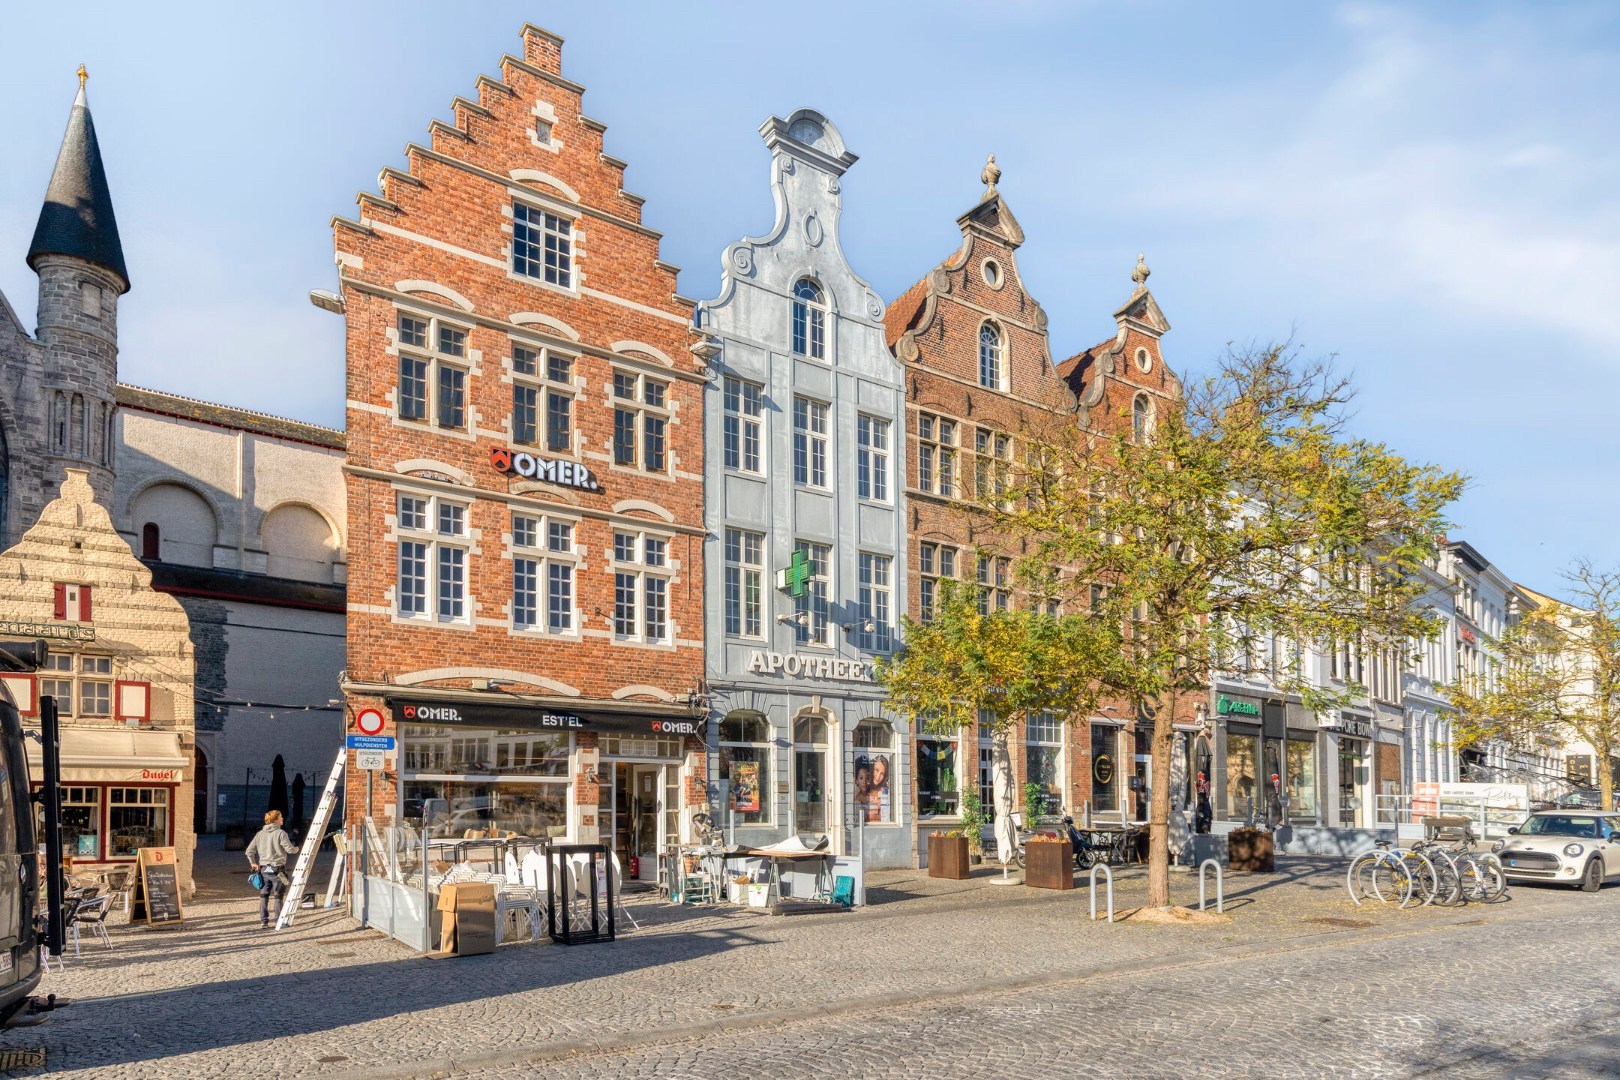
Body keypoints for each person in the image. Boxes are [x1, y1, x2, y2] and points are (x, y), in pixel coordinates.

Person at [246, 810, 299, 929]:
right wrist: (297, 848)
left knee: (263, 895)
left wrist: (253, 863)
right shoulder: (281, 833)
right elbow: (290, 850)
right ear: (275, 819)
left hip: (264, 870)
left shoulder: (260, 834)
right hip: (278, 869)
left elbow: (249, 851)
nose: (283, 818)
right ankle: (278, 920)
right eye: (281, 817)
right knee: (278, 895)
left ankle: (263, 921)